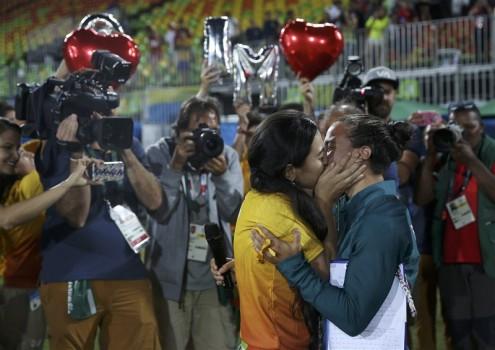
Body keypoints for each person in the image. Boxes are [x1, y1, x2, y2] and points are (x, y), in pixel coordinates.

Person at [252, 115, 419, 339]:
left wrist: (296, 269)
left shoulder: (382, 219)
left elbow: (352, 317)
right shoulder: (346, 205)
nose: (323, 157)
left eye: (330, 146)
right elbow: (328, 270)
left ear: (362, 154)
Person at [232, 110, 364, 350]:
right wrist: (325, 201)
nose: (327, 161)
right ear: (290, 172)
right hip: (280, 343)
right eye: (320, 155)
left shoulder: (257, 197)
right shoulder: (282, 215)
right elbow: (331, 276)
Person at [36, 108, 164, 350]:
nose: (107, 112)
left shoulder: (130, 145)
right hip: (73, 277)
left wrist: (124, 148)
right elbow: (76, 216)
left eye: (110, 103)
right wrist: (75, 152)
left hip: (128, 274)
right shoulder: (61, 144)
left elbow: (155, 201)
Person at [146, 96, 243, 350]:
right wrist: (175, 166)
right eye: (197, 131)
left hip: (214, 282)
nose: (205, 138)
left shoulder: (226, 157)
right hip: (169, 283)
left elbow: (234, 213)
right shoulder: (159, 154)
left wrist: (221, 177)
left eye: (212, 131)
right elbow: (158, 211)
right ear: (179, 132)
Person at [0, 118, 91, 350]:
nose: (15, 156)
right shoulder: (23, 184)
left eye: (17, 148)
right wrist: (69, 182)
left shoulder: (10, 183)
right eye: (7, 148)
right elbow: (7, 219)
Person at [416, 101, 495, 349]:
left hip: (486, 260)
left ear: (481, 128)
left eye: (469, 128)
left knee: (486, 334)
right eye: (456, 127)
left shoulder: (490, 153)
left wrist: (472, 161)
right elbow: (422, 198)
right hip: (450, 262)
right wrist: (429, 158)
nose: (462, 134)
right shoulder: (444, 156)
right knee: (458, 334)